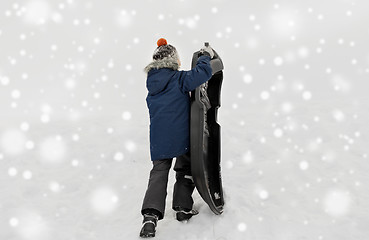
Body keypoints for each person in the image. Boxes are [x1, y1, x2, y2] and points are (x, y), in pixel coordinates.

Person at [140, 38, 214, 238]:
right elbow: (202, 74)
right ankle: (182, 208)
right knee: (185, 168)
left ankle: (150, 217)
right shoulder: (178, 79)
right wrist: (205, 57)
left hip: (158, 140)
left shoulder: (152, 85)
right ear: (173, 60)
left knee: (158, 174)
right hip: (181, 137)